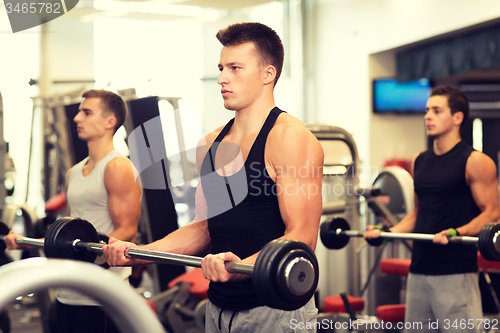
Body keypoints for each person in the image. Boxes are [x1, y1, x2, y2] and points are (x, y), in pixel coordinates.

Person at [103, 22, 323, 332]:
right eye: (221, 68)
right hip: (218, 307)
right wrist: (142, 254)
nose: (222, 78)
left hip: (274, 309)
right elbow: (205, 228)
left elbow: (301, 237)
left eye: (235, 68)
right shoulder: (211, 144)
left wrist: (240, 268)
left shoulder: (289, 138)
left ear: (267, 74)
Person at [5, 89, 142, 333]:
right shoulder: (74, 172)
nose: (77, 118)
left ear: (110, 121)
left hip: (101, 293)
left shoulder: (118, 167)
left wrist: (97, 248)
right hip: (68, 289)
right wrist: (28, 242)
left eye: (86, 112)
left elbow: (127, 232)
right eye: (79, 112)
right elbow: (67, 236)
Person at [365, 85, 500, 333]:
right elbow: (418, 213)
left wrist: (456, 232)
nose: (427, 116)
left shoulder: (475, 161)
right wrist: (387, 233)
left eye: (436, 111)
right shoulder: (420, 161)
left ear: (457, 117)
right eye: (427, 110)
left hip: (455, 274)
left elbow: (492, 213)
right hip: (419, 271)